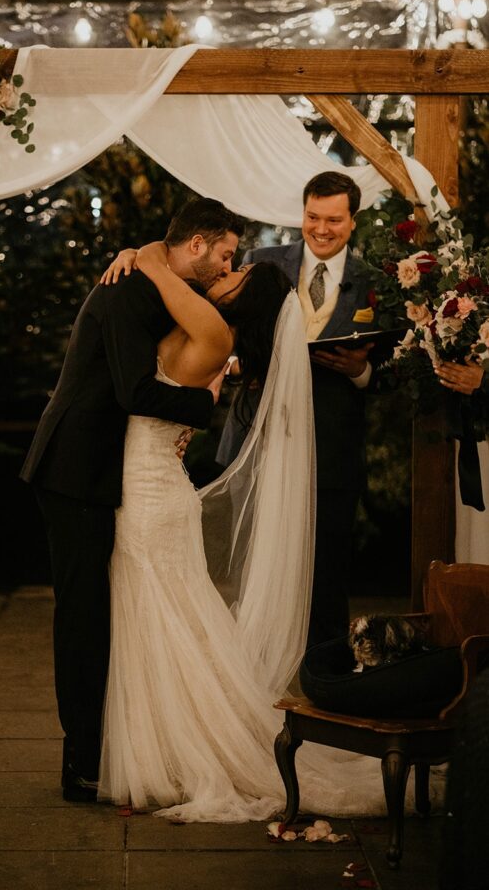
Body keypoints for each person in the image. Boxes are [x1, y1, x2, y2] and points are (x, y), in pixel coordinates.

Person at [96, 242, 391, 822]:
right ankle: (165, 744)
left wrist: (138, 251)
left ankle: (172, 750)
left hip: (149, 491)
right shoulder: (212, 332)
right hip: (154, 482)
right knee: (169, 618)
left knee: (161, 617)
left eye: (237, 272)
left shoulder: (210, 326)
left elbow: (158, 265)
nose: (227, 273)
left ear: (245, 299)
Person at [20, 198, 245, 801]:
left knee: (102, 615)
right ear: (195, 245)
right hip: (75, 472)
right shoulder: (127, 291)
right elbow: (133, 391)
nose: (227, 267)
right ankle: (81, 764)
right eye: (224, 254)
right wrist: (203, 409)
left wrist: (148, 257)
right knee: (83, 619)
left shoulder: (151, 280)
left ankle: (109, 746)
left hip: (105, 470)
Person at [217, 171, 378, 647]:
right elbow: (223, 335)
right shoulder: (258, 263)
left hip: (332, 448)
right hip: (261, 439)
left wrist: (358, 371)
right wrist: (234, 365)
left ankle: (324, 683)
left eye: (333, 219)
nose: (321, 229)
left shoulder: (375, 283)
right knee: (255, 565)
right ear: (302, 213)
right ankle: (253, 670)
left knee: (327, 572)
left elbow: (395, 370)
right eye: (312, 217)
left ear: (352, 221)